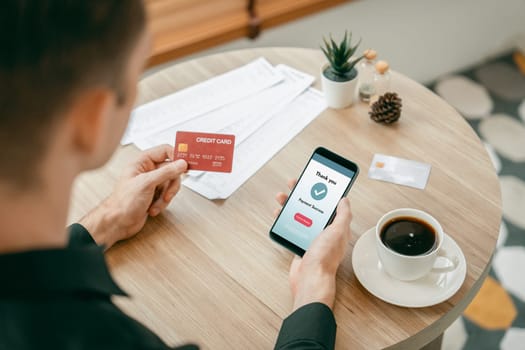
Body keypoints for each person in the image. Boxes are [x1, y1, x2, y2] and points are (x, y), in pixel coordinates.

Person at [0, 1, 353, 349]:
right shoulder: (103, 338)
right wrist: (314, 287)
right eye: (136, 72)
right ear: (94, 120)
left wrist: (108, 221)